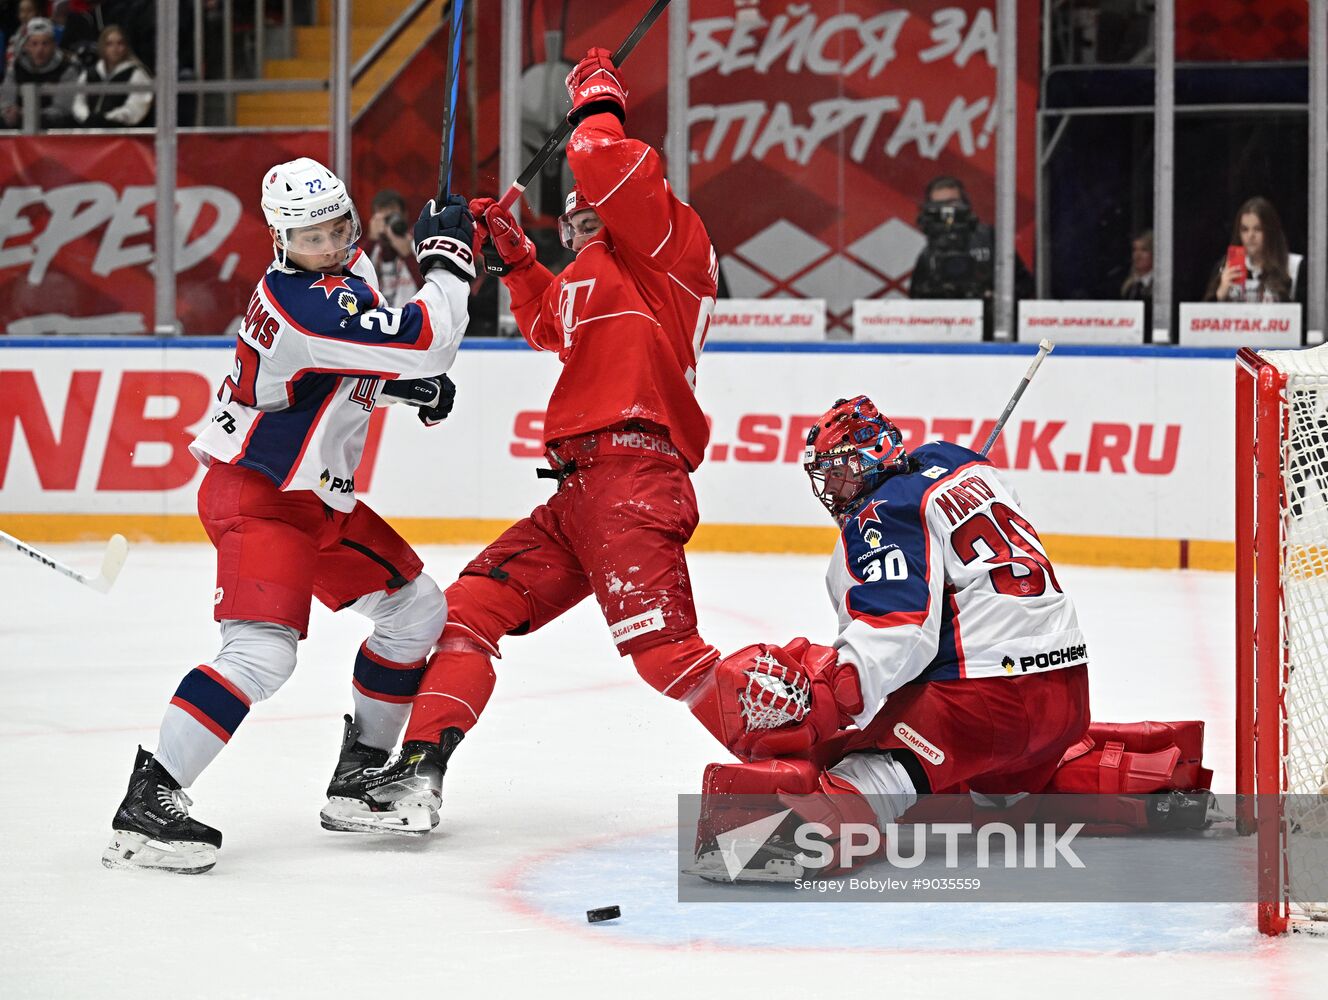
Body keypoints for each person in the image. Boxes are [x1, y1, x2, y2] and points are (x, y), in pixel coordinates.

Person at [318, 46, 723, 835]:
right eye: (571, 220)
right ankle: (416, 775)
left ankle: (816, 749)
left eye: (591, 213)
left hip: (632, 479)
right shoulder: (590, 278)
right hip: (580, 494)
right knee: (466, 610)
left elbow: (600, 156)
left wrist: (596, 96)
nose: (578, 226)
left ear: (624, 210)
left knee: (668, 657)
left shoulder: (666, 252)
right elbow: (548, 323)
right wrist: (516, 258)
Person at [101, 157, 478, 873]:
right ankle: (149, 802)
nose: (329, 245)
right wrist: (447, 262)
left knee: (415, 611)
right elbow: (426, 340)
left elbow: (330, 374)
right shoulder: (302, 301)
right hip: (261, 497)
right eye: (311, 238)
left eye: (338, 228)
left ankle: (359, 778)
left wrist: (400, 391)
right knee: (262, 653)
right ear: (281, 241)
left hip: (315, 501)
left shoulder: (338, 278)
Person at [682, 395, 1094, 881]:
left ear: (875, 456)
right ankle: (1116, 775)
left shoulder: (880, 514)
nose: (834, 487)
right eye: (828, 474)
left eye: (842, 471)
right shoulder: (960, 461)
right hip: (1068, 694)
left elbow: (898, 626)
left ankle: (758, 850)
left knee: (862, 778)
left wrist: (832, 694)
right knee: (987, 789)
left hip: (986, 701)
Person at [908, 176, 1034, 336]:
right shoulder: (928, 254)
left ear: (964, 203)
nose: (948, 212)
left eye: (952, 203)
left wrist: (993, 297)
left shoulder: (988, 238)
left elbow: (1025, 284)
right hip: (946, 332)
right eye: (939, 206)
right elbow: (916, 302)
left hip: (992, 330)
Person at [1203, 196, 1306, 306]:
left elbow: (1306, 313)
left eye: (1258, 229)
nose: (1250, 235)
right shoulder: (1225, 266)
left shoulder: (1294, 266)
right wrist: (1219, 294)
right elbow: (1203, 314)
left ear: (1271, 232)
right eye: (1245, 230)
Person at [0, 16, 77, 128]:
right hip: (18, 123)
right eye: (34, 44)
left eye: (45, 43)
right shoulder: (16, 67)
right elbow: (6, 100)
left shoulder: (66, 69)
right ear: (27, 46)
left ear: (54, 45)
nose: (39, 50)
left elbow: (62, 108)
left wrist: (27, 114)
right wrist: (9, 112)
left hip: (52, 126)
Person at [72, 23, 151, 127]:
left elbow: (136, 108)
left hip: (122, 131)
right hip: (89, 129)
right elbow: (79, 102)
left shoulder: (137, 73)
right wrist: (87, 117)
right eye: (109, 44)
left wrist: (107, 118)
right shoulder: (90, 73)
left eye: (120, 43)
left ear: (126, 46)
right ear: (102, 47)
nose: (115, 48)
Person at [361, 188, 423, 308]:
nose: (389, 224)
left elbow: (431, 290)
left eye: (393, 217)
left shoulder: (419, 245)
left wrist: (408, 255)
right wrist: (371, 240)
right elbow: (351, 277)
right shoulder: (371, 249)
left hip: (412, 315)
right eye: (384, 219)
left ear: (405, 216)